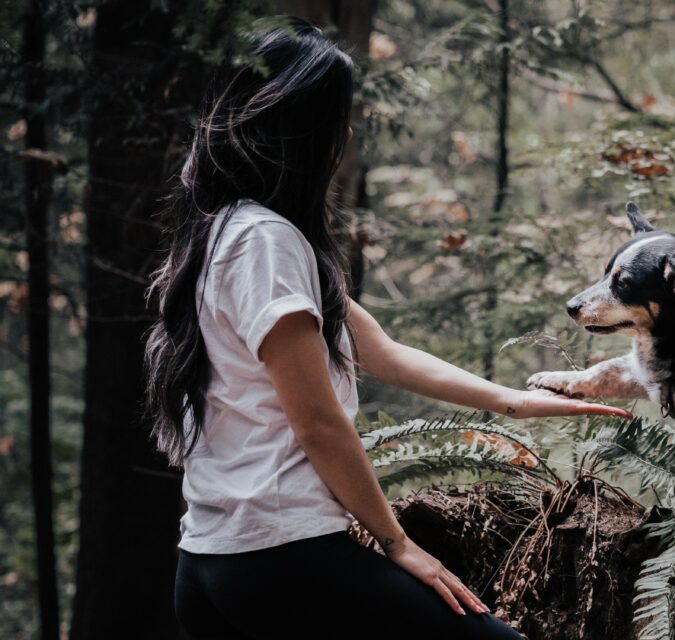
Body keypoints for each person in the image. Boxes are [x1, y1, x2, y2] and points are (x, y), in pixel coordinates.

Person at [143, 17, 630, 639]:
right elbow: (317, 422)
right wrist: (396, 543)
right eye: (337, 116)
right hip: (283, 558)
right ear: (298, 127)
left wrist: (510, 402)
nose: (346, 134)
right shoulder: (266, 243)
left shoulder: (223, 233)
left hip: (210, 567)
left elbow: (383, 352)